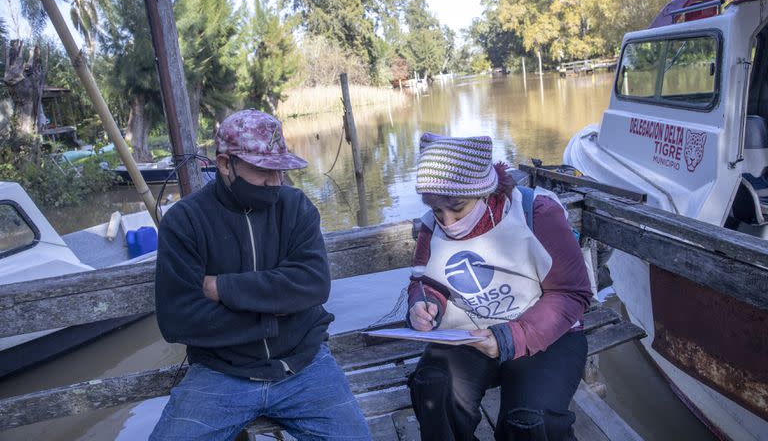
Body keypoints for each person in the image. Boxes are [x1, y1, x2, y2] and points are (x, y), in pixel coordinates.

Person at [151, 109, 370, 441]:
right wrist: (272, 317)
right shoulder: (185, 222)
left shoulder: (296, 207)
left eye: (280, 169)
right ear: (226, 165)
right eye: (263, 170)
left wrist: (224, 288)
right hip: (221, 374)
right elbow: (178, 319)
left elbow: (313, 284)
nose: (276, 181)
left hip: (304, 365)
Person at [406, 132, 593, 441]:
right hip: (471, 333)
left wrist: (510, 337)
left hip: (546, 334)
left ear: (485, 192)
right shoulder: (431, 226)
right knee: (432, 389)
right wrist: (426, 303)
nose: (448, 222)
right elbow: (425, 281)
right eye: (438, 210)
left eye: (458, 208)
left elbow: (572, 294)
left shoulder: (538, 212)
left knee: (532, 422)